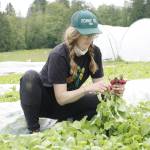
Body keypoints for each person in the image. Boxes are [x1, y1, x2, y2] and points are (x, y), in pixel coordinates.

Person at [20, 10, 124, 133]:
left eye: (93, 34)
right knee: (30, 77)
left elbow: (100, 89)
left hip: (69, 103)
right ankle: (34, 130)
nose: (90, 39)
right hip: (47, 104)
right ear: (75, 34)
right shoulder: (59, 54)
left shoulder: (95, 52)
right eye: (86, 35)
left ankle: (70, 122)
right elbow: (61, 98)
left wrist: (114, 90)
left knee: (103, 99)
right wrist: (86, 88)